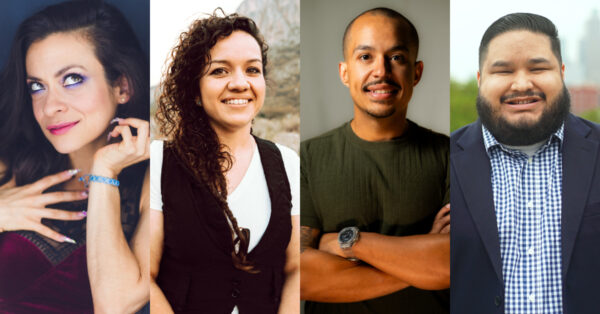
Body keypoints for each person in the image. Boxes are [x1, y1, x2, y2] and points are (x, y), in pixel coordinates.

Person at [0, 1, 150, 313]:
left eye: (72, 79)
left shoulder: (158, 183)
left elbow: (115, 304)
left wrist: (105, 170)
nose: (49, 106)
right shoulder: (11, 165)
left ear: (122, 87)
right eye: (37, 87)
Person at [300, 7, 450, 313]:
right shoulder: (306, 160)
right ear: (345, 72)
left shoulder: (453, 156)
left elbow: (451, 263)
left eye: (396, 57)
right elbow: (301, 278)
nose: (381, 71)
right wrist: (421, 264)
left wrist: (348, 242)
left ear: (416, 72)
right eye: (365, 57)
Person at [150, 10, 300, 314]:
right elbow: (145, 277)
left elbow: (296, 268)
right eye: (220, 71)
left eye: (253, 70)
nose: (240, 83)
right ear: (194, 89)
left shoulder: (287, 163)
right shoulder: (159, 164)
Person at [451, 12, 600, 314]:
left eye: (538, 67)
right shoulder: (443, 160)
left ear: (561, 72)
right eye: (503, 71)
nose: (521, 84)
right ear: (481, 80)